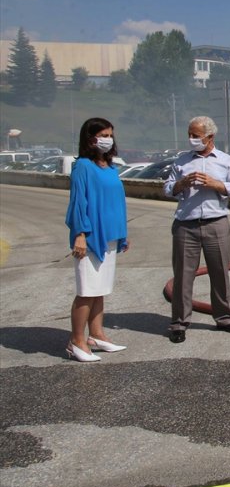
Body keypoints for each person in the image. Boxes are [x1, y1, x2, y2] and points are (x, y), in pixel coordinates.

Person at [163, 116, 230, 343]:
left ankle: (224, 318)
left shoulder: (226, 161)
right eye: (189, 134)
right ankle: (179, 323)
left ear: (210, 137)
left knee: (220, 272)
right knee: (183, 276)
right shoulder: (181, 161)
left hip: (216, 222)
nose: (191, 139)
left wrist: (216, 185)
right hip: (185, 224)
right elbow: (168, 188)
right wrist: (181, 184)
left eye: (195, 135)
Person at [64, 117, 130, 362]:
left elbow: (117, 202)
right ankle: (76, 341)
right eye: (103, 134)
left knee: (100, 289)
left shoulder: (111, 167)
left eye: (110, 134)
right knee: (87, 290)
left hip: (111, 235)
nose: (107, 139)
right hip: (91, 236)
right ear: (90, 138)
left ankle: (97, 334)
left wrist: (123, 235)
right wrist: (80, 235)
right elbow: (78, 202)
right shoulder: (83, 166)